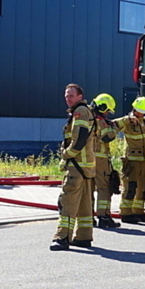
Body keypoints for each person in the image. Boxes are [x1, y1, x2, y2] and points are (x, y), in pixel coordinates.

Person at [51, 83, 96, 250]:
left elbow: (80, 137)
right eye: (66, 96)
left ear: (79, 96)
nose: (67, 99)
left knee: (67, 202)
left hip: (77, 166)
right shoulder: (86, 110)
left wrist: (67, 154)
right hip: (86, 167)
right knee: (84, 203)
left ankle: (62, 237)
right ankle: (84, 236)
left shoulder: (80, 112)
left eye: (71, 95)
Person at [113, 96, 145, 223]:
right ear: (134, 109)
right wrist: (126, 120)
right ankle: (126, 213)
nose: (140, 114)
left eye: (143, 112)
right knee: (130, 186)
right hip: (131, 160)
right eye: (139, 111)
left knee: (144, 187)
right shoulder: (127, 121)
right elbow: (112, 125)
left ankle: (138, 211)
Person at [91, 93, 120, 228]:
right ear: (102, 107)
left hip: (86, 159)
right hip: (100, 160)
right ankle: (104, 217)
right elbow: (108, 136)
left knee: (88, 189)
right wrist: (114, 127)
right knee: (104, 188)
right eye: (107, 111)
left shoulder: (87, 117)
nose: (108, 114)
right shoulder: (100, 121)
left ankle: (87, 216)